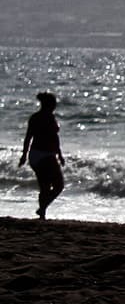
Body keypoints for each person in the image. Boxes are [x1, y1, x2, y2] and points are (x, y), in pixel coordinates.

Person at [20, 91, 66, 220]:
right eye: (54, 103)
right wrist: (24, 155)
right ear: (49, 104)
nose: (55, 105)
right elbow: (28, 137)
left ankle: (42, 214)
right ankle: (42, 209)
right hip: (42, 155)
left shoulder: (43, 117)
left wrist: (60, 155)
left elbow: (54, 139)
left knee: (45, 186)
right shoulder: (39, 118)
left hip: (39, 155)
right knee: (58, 185)